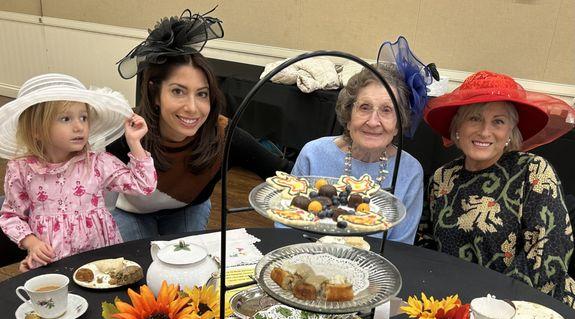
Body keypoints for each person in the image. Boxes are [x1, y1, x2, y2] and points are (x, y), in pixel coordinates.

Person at [108, 9, 292, 240]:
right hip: (130, 213)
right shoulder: (127, 133)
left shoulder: (225, 136)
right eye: (178, 91)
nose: (192, 108)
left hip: (188, 208)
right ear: (155, 95)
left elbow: (285, 173)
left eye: (202, 94)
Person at [419, 70, 575, 308]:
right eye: (474, 118)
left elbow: (548, 255)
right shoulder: (443, 178)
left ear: (509, 133)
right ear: (457, 127)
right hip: (454, 306)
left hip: (531, 311)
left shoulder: (533, 171)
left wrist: (491, 311)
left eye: (498, 121)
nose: (484, 131)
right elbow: (425, 245)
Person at [0, 73, 157, 271]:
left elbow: (145, 186)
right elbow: (10, 216)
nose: (79, 126)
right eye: (66, 118)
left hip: (101, 261)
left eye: (83, 117)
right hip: (53, 264)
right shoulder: (22, 170)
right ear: (36, 129)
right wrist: (32, 244)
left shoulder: (97, 163)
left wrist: (134, 142)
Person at [291, 37, 435, 244]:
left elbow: (402, 246)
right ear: (348, 117)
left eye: (387, 110)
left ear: (398, 124)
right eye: (365, 107)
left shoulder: (409, 170)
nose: (373, 121)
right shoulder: (313, 154)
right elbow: (288, 225)